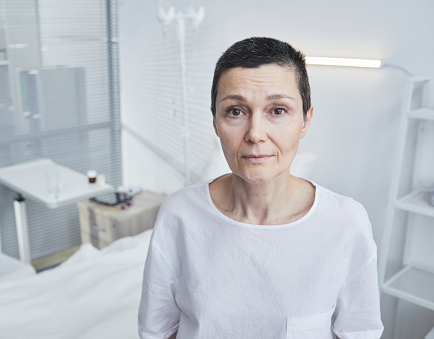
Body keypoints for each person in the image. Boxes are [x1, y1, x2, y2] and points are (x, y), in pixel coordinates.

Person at [138, 37, 384, 339]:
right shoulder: (179, 214)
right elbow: (158, 331)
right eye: (235, 112)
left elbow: (360, 332)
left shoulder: (347, 223)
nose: (255, 134)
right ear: (215, 121)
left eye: (277, 110)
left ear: (305, 120)